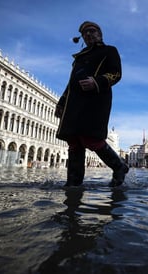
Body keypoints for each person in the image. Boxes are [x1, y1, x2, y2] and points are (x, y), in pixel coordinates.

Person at [55, 21, 128, 187]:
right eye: (85, 33)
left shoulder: (109, 50)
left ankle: (119, 167)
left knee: (91, 138)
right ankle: (73, 183)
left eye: (92, 31)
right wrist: (61, 102)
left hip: (95, 99)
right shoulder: (79, 58)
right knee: (74, 141)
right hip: (74, 103)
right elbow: (71, 83)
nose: (88, 34)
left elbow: (116, 73)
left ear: (99, 34)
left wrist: (97, 81)